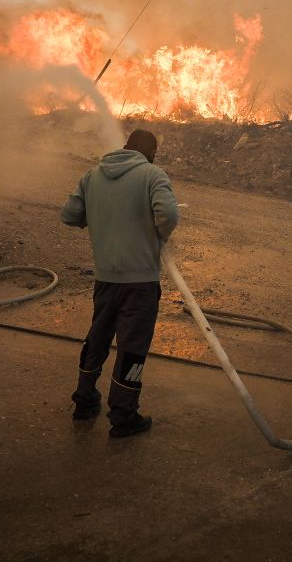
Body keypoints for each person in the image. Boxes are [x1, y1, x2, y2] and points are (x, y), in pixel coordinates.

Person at [61, 128, 179, 437]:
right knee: (133, 347)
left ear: (125, 147)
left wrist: (101, 214)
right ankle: (123, 414)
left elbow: (70, 214)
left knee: (97, 337)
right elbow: (168, 213)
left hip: (105, 279)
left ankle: (84, 399)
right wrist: (157, 234)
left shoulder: (92, 175)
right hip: (140, 282)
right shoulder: (152, 174)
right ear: (150, 153)